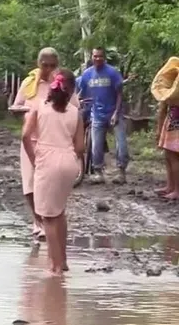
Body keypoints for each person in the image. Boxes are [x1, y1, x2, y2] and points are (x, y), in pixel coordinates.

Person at [12, 47, 79, 241]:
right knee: (30, 184)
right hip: (31, 140)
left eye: (52, 65)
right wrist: (27, 111)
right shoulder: (29, 83)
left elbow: (74, 108)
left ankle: (50, 221)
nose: (48, 69)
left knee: (51, 185)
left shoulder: (63, 85)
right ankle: (38, 221)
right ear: (38, 63)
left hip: (54, 142)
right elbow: (17, 105)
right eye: (45, 65)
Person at [22, 69, 84, 275]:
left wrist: (34, 159)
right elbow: (80, 147)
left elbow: (25, 136)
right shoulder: (76, 112)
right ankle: (63, 260)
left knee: (47, 217)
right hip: (68, 162)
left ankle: (55, 266)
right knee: (59, 211)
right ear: (71, 90)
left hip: (47, 161)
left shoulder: (39, 108)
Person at [77, 47, 129, 184]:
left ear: (104, 57)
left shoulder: (112, 73)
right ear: (92, 57)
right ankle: (98, 172)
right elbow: (81, 91)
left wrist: (116, 113)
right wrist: (77, 102)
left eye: (100, 56)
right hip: (97, 114)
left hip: (114, 113)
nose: (97, 58)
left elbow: (119, 94)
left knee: (121, 144)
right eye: (95, 56)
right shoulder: (87, 74)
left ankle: (121, 172)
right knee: (96, 145)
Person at [155, 58, 179, 199]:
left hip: (175, 121)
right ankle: (171, 186)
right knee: (169, 155)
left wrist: (159, 127)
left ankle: (178, 190)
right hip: (178, 120)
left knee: (173, 156)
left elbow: (163, 106)